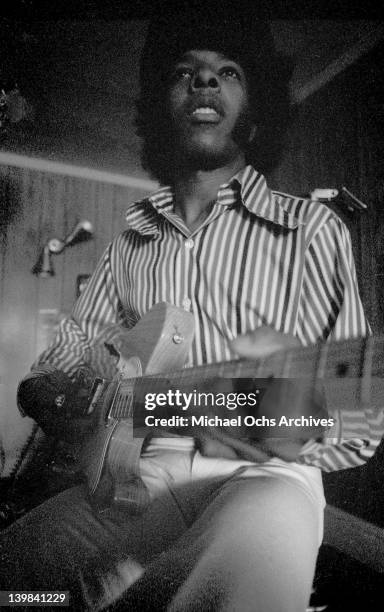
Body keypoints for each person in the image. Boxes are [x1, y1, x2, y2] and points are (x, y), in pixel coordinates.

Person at [0, 8, 377, 612]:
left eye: (228, 72)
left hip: (266, 475)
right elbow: (60, 360)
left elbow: (359, 417)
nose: (204, 82)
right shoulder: (128, 245)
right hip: (127, 473)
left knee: (246, 576)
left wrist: (187, 404)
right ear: (160, 104)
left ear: (253, 108)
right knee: (21, 588)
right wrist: (48, 395)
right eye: (185, 73)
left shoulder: (312, 228)